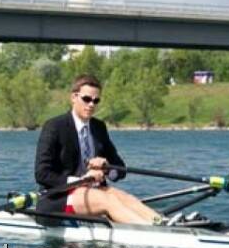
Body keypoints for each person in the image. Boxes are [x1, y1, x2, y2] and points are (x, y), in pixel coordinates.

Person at [34, 75, 167, 224]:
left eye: (96, 100)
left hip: (94, 192)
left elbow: (120, 170)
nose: (91, 104)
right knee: (108, 200)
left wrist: (106, 166)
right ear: (74, 97)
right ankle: (148, 231)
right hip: (59, 197)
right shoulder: (54, 126)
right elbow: (42, 174)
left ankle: (162, 222)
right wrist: (80, 180)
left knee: (127, 198)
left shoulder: (99, 127)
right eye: (87, 99)